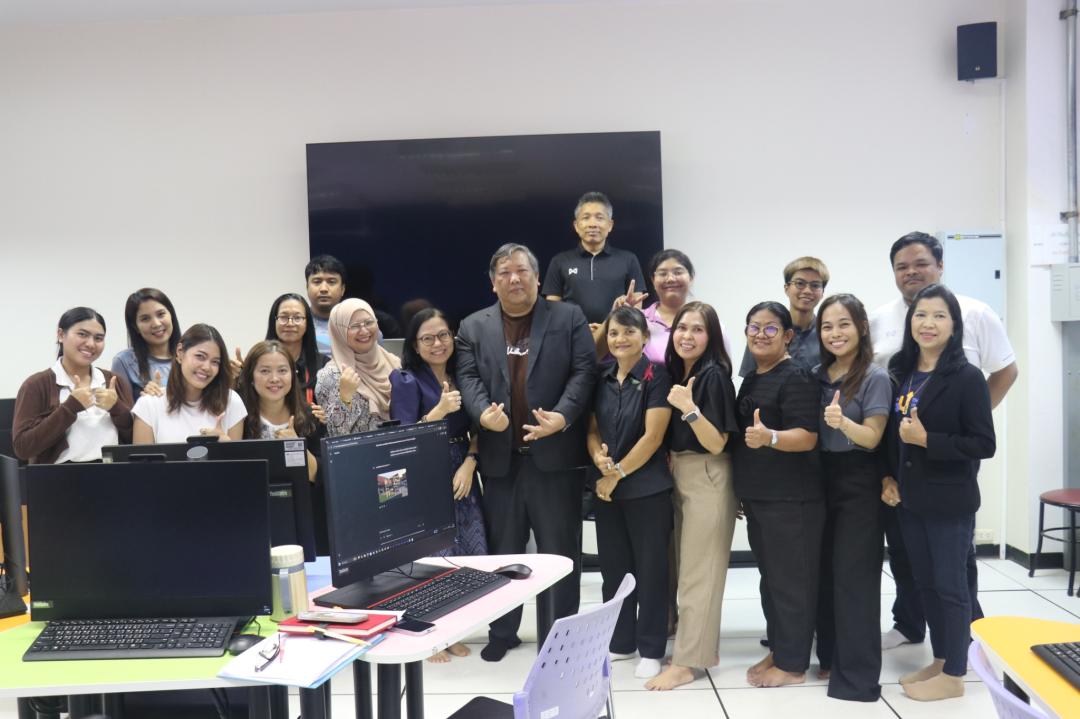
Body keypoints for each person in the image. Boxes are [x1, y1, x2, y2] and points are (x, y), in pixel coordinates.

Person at [869, 231, 1017, 650]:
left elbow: (1006, 370)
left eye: (921, 263)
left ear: (940, 265)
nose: (911, 272)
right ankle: (910, 623)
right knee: (904, 546)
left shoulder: (974, 312)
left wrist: (968, 419)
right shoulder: (879, 319)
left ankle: (963, 637)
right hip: (899, 453)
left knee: (954, 555)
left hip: (947, 454)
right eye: (902, 266)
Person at [456, 243, 597, 662]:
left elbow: (584, 372)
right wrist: (483, 414)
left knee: (559, 551)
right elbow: (467, 377)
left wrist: (563, 416)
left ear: (537, 277)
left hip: (555, 457)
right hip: (502, 459)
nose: (514, 279)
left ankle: (560, 636)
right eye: (504, 272)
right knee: (505, 549)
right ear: (493, 282)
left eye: (522, 271)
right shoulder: (472, 326)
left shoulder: (568, 317)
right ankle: (503, 631)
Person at [882, 283, 995, 701]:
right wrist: (888, 477)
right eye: (920, 315)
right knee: (925, 583)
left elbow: (983, 443)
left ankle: (956, 674)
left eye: (938, 316)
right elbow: (892, 435)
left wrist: (929, 440)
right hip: (910, 498)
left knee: (951, 586)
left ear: (954, 325)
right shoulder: (901, 371)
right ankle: (942, 658)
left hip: (950, 501)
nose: (927, 323)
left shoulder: (967, 377)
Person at [646, 301, 738, 691]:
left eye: (698, 329)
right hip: (683, 473)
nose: (687, 336)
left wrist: (689, 409)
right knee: (687, 570)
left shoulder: (713, 376)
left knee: (700, 574)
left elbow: (717, 442)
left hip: (707, 475)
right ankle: (696, 649)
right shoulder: (681, 372)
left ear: (711, 336)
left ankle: (687, 663)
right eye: (682, 328)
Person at [732, 301, 823, 689]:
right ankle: (780, 649)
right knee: (770, 582)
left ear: (787, 336)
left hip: (792, 500)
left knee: (790, 585)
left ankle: (793, 665)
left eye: (771, 329)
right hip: (761, 497)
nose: (760, 335)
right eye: (754, 327)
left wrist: (770, 437)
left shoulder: (797, 377)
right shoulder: (753, 377)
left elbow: (807, 436)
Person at [390, 308, 487, 663]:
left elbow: (478, 426)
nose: (437, 343)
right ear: (415, 345)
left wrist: (470, 462)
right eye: (427, 338)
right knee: (432, 555)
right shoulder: (405, 379)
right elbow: (403, 437)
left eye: (443, 335)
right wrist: (439, 411)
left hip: (462, 464)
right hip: (424, 469)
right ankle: (429, 634)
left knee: (467, 552)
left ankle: (454, 630)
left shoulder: (465, 374)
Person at [585, 306, 673, 680]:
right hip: (607, 490)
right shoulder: (601, 376)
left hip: (647, 490)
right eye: (614, 333)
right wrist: (598, 457)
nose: (620, 339)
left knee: (651, 571)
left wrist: (616, 474)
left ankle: (651, 648)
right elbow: (591, 430)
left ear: (645, 337)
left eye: (629, 332)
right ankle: (621, 642)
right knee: (614, 570)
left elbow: (653, 437)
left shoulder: (658, 376)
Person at [812, 294, 890, 702]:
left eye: (843, 324)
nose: (835, 333)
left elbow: (873, 437)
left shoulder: (874, 377)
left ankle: (858, 678)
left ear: (861, 327)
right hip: (818, 478)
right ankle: (829, 659)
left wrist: (843, 422)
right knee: (824, 575)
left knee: (854, 579)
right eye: (827, 326)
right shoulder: (816, 375)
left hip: (858, 481)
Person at [13, 307, 134, 464]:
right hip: (59, 475)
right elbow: (22, 448)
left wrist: (116, 408)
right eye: (82, 334)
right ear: (61, 335)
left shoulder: (114, 381)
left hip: (112, 472)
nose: (91, 344)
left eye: (98, 338)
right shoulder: (36, 385)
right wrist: (70, 408)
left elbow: (134, 439)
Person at [542, 191, 646, 328]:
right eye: (586, 218)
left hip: (616, 335)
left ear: (610, 225)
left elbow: (637, 307)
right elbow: (552, 309)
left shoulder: (628, 259)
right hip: (572, 336)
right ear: (576, 225)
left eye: (599, 218)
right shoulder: (559, 261)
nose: (593, 224)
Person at [131, 324, 246, 444]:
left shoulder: (231, 402)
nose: (207, 367)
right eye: (200, 356)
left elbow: (237, 456)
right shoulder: (149, 404)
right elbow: (142, 457)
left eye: (215, 362)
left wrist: (226, 446)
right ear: (180, 352)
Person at [620, 249, 733, 364]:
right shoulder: (639, 321)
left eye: (678, 272)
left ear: (691, 278)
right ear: (653, 280)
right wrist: (622, 319)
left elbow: (723, 368)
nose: (670, 279)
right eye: (663, 273)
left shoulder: (710, 323)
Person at [236, 340, 319, 483]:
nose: (274, 379)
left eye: (282, 371)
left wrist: (296, 446)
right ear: (251, 377)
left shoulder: (312, 416)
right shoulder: (240, 418)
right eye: (265, 371)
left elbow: (317, 477)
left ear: (292, 375)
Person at [315, 298, 400, 435]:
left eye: (369, 322)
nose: (364, 330)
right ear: (339, 331)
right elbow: (335, 435)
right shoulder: (331, 375)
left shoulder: (395, 363)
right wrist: (345, 398)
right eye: (354, 326)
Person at [738, 257, 829, 377]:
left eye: (815, 285)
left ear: (822, 292)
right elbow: (749, 378)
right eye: (800, 283)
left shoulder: (827, 335)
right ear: (786, 288)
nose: (807, 290)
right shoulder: (765, 331)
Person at [111, 288, 181, 398]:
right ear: (135, 327)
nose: (156, 324)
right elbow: (122, 408)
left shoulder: (191, 356)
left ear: (171, 315)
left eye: (161, 314)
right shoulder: (123, 361)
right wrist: (146, 402)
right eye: (145, 319)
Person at [264, 293, 328, 410]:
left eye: (297, 318)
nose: (290, 323)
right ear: (274, 321)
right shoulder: (258, 361)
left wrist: (325, 415)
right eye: (283, 317)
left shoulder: (324, 365)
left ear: (307, 322)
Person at [305, 254, 348, 357]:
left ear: (342, 289)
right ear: (307, 287)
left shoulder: (360, 326)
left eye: (331, 282)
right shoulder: (296, 325)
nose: (324, 289)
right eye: (317, 282)